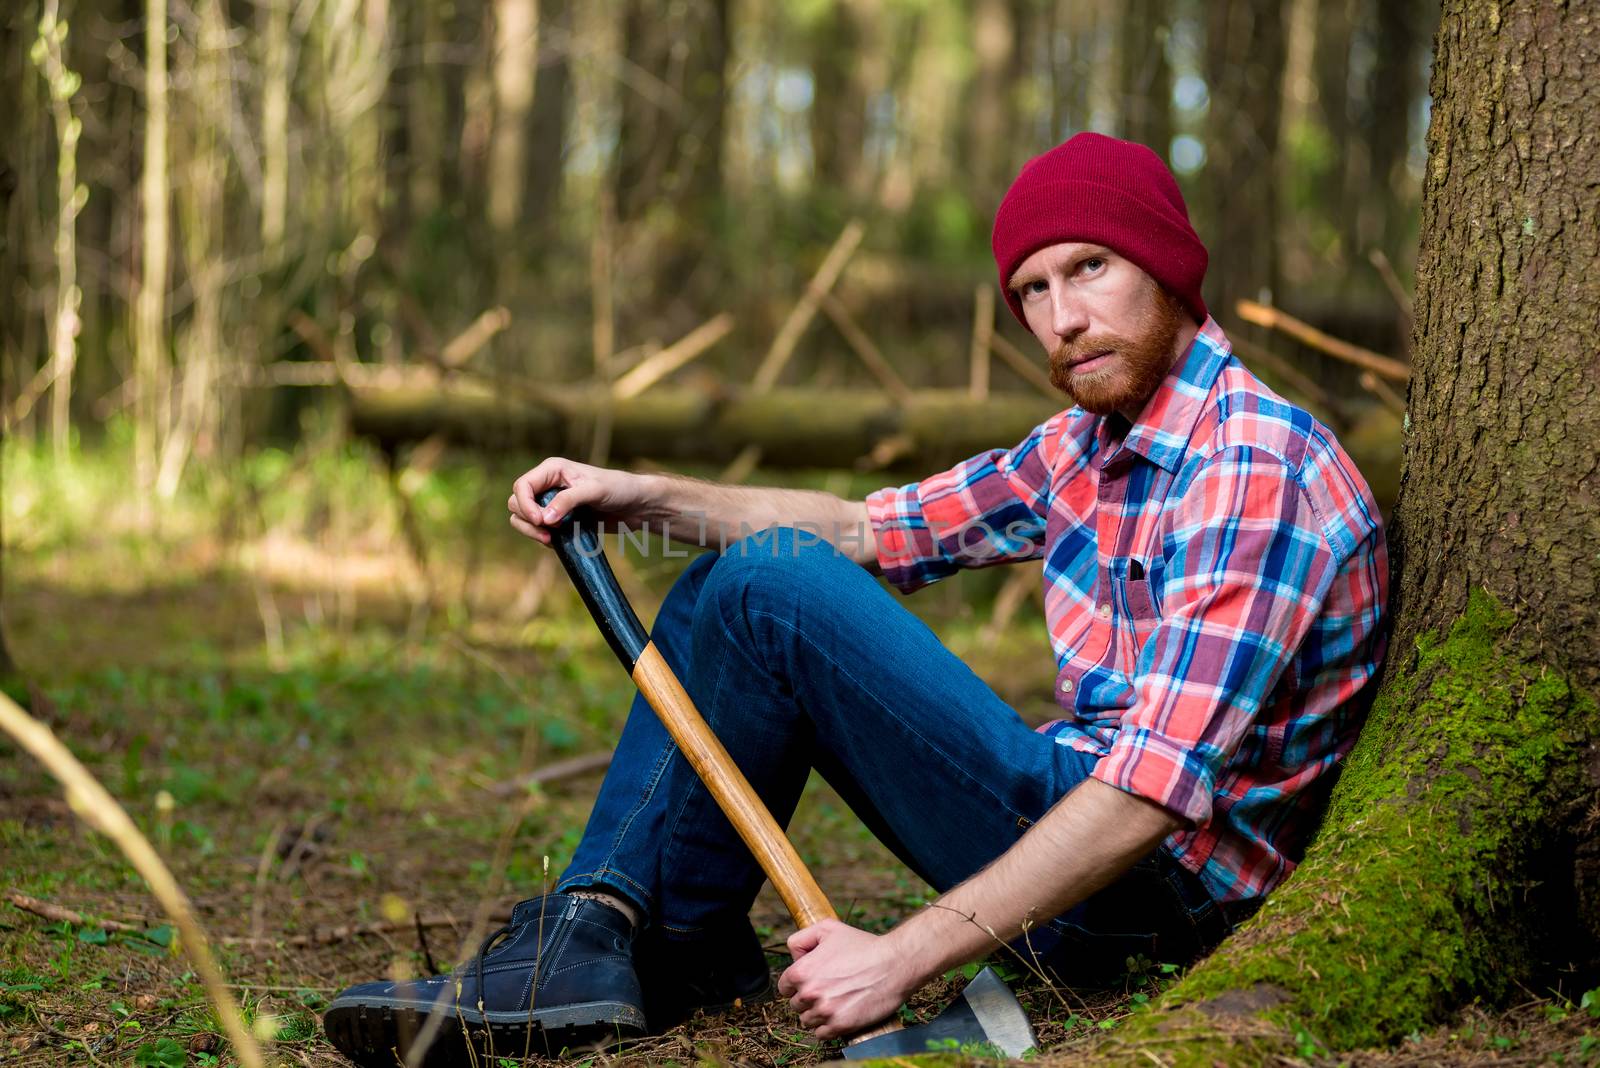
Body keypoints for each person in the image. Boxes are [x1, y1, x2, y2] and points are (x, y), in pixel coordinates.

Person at [322, 132, 1389, 1065]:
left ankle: (608, 937)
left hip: (1152, 897)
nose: (1063, 318)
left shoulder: (1251, 466)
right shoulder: (1085, 445)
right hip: (1084, 828)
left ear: (1164, 266)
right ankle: (642, 941)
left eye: (1092, 269)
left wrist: (899, 957)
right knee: (739, 584)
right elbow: (872, 529)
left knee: (767, 587)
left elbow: (1150, 799)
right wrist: (642, 496)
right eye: (1033, 289)